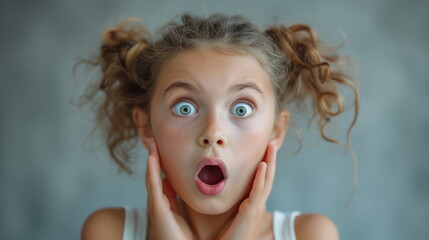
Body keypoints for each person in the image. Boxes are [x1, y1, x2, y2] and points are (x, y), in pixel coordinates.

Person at [79, 12, 359, 240]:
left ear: (276, 129)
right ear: (146, 127)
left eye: (241, 109)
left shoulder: (311, 235)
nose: (213, 133)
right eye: (184, 108)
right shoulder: (109, 231)